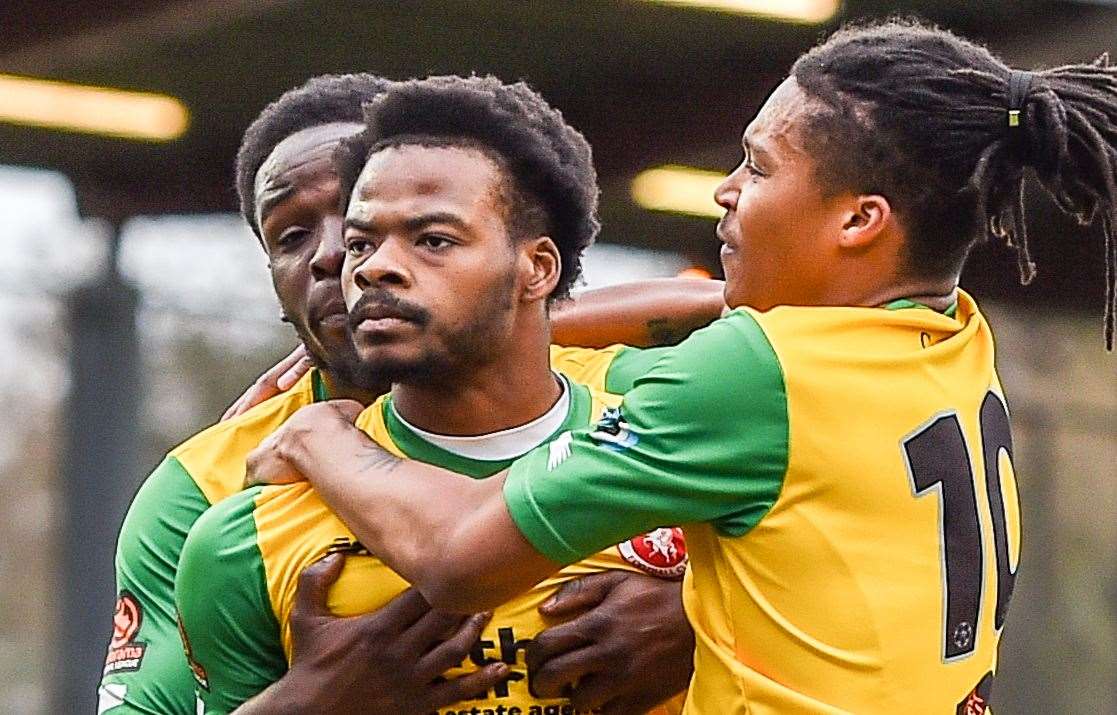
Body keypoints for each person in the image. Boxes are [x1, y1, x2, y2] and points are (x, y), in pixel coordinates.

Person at [247, 20, 1117, 714]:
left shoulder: (750, 376)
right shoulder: (953, 339)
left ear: (858, 222)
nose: (724, 190)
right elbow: (733, 328)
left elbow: (457, 555)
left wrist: (324, 433)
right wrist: (481, 317)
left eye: (757, 165)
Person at [100, 73, 720, 714]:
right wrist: (314, 701)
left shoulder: (645, 407)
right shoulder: (212, 497)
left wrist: (703, 614)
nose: (342, 257)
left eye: (428, 235)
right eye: (292, 235)